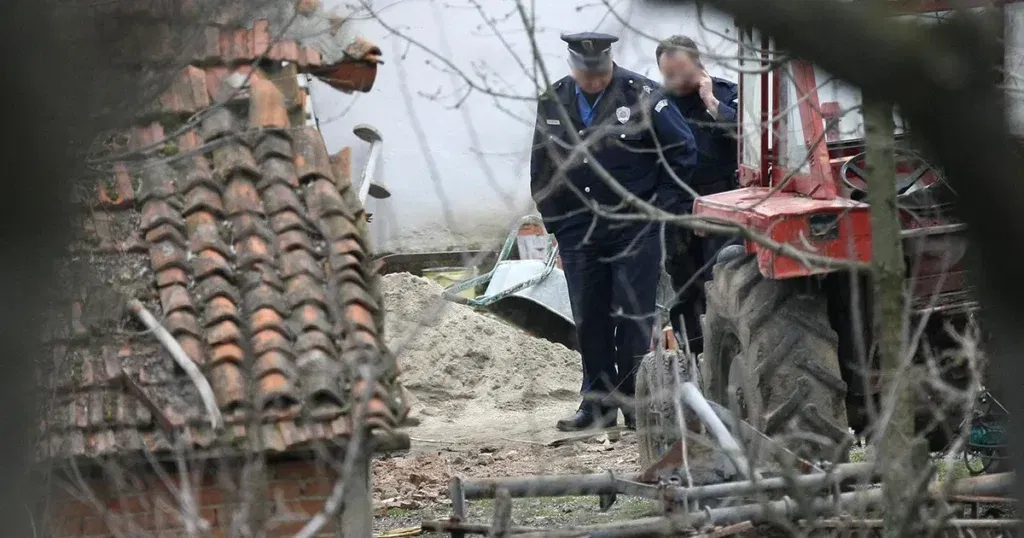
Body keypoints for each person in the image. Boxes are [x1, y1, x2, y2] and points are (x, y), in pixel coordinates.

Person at [530, 32, 698, 431]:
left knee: (633, 314)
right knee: (590, 316)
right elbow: (541, 167)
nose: (594, 82)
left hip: (632, 228)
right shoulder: (554, 100)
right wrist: (557, 222)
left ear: (609, 64)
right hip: (579, 231)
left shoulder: (643, 94)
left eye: (601, 74)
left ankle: (636, 402)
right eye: (587, 76)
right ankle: (597, 406)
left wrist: (658, 209)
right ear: (574, 67)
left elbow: (682, 150)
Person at [655, 35, 741, 356]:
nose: (677, 82)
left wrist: (712, 104)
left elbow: (749, 139)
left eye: (684, 73)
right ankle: (697, 362)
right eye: (669, 76)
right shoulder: (657, 106)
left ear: (700, 66)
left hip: (728, 207)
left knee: (723, 283)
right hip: (680, 212)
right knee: (687, 292)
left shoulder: (728, 95)